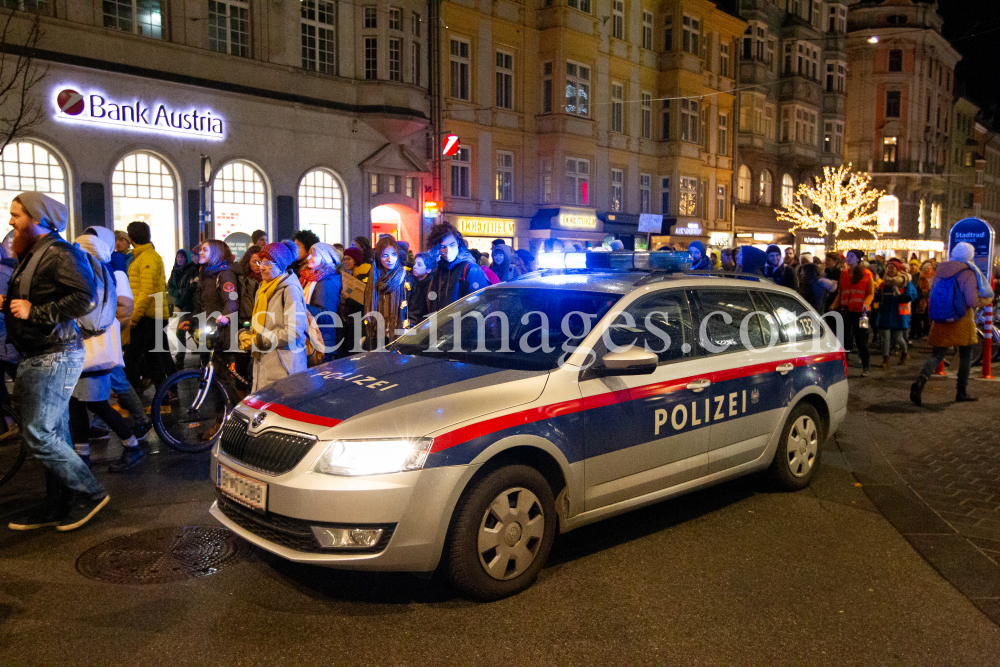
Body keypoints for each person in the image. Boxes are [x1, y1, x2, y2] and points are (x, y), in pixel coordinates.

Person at [2, 192, 110, 531]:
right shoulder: (35, 253)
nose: (10, 222)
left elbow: (85, 299)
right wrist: (9, 303)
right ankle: (55, 505)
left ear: (37, 219)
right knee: (54, 435)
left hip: (54, 354)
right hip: (41, 352)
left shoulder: (61, 252)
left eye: (16, 215)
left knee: (37, 435)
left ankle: (92, 492)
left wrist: (35, 311)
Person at [69, 234, 146, 472]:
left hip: (92, 348)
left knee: (97, 404)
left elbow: (91, 318)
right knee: (78, 405)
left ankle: (132, 446)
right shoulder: (98, 273)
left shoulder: (96, 276)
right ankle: (82, 455)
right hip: (89, 348)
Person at [84, 226, 150, 446]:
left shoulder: (115, 268)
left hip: (105, 335)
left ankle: (140, 421)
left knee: (115, 379)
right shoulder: (97, 265)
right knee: (98, 381)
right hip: (98, 335)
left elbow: (124, 305)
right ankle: (100, 426)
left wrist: (107, 326)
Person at [910, 242, 994, 405]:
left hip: (941, 318)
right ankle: (961, 391)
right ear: (969, 256)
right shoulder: (968, 273)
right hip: (961, 319)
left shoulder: (940, 271)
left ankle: (920, 381)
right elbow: (972, 300)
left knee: (937, 355)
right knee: (966, 355)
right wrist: (987, 299)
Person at [178, 240, 242, 398]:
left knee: (225, 379)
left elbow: (231, 301)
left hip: (224, 333)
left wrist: (224, 318)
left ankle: (230, 415)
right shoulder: (207, 274)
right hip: (211, 332)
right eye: (200, 250)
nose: (200, 252)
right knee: (215, 377)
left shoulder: (224, 274)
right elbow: (202, 305)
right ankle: (221, 416)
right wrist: (192, 320)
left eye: (205, 250)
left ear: (216, 253)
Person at [240, 242, 307, 391]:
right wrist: (246, 334)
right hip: (264, 364)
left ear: (280, 265)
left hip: (284, 368)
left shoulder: (290, 290)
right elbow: (261, 324)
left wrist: (258, 340)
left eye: (267, 263)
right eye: (260, 262)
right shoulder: (263, 288)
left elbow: (293, 331)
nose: (261, 267)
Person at [124, 221, 174, 393]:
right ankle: (166, 396)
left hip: (148, 316)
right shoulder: (146, 256)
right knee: (154, 358)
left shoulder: (147, 258)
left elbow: (146, 291)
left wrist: (134, 317)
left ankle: (129, 400)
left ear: (131, 238)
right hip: (153, 315)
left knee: (132, 358)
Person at [426, 222, 488, 314]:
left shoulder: (471, 269)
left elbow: (481, 306)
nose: (448, 251)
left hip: (462, 326)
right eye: (443, 247)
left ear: (458, 243)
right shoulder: (439, 269)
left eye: (452, 245)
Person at [363, 236, 412, 350]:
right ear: (378, 257)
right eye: (385, 255)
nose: (390, 259)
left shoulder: (407, 278)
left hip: (401, 336)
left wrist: (410, 328)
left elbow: (415, 307)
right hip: (377, 336)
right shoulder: (373, 279)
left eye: (393, 255)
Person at [831, 249, 874, 377]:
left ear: (858, 259)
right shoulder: (844, 273)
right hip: (846, 311)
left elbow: (870, 293)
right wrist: (834, 304)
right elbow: (841, 292)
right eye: (848, 256)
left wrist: (865, 304)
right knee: (844, 338)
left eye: (851, 256)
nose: (848, 258)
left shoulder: (867, 274)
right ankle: (843, 366)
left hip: (863, 313)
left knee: (861, 339)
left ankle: (866, 366)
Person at [300, 242, 341, 365]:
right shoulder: (312, 279)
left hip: (322, 344)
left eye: (314, 255)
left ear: (325, 258)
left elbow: (327, 315)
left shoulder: (326, 282)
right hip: (314, 340)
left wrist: (299, 306)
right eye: (309, 254)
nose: (308, 258)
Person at [876, 258, 917, 367]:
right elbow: (878, 294)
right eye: (888, 267)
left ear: (898, 269)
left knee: (898, 338)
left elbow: (912, 295)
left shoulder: (905, 282)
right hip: (885, 313)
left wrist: (903, 296)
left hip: (898, 315)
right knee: (885, 337)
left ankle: (904, 353)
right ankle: (885, 359)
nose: (890, 270)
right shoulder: (884, 282)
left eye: (892, 268)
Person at [167, 249, 198, 366]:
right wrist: (178, 292)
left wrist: (183, 293)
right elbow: (171, 287)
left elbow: (191, 289)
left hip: (189, 304)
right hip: (182, 303)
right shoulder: (174, 271)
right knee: (190, 329)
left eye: (183, 257)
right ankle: (202, 352)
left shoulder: (191, 270)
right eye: (178, 257)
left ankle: (180, 358)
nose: (180, 259)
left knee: (181, 330)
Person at [910, 261, 934, 340]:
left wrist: (919, 291)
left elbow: (926, 289)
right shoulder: (910, 276)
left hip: (923, 299)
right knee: (916, 317)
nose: (913, 267)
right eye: (927, 268)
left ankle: (922, 332)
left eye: (930, 268)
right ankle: (917, 333)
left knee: (923, 317)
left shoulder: (924, 278)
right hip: (915, 299)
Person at [409, 252, 433, 324]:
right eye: (415, 263)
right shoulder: (411, 282)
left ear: (428, 270)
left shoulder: (430, 286)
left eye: (419, 265)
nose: (414, 266)